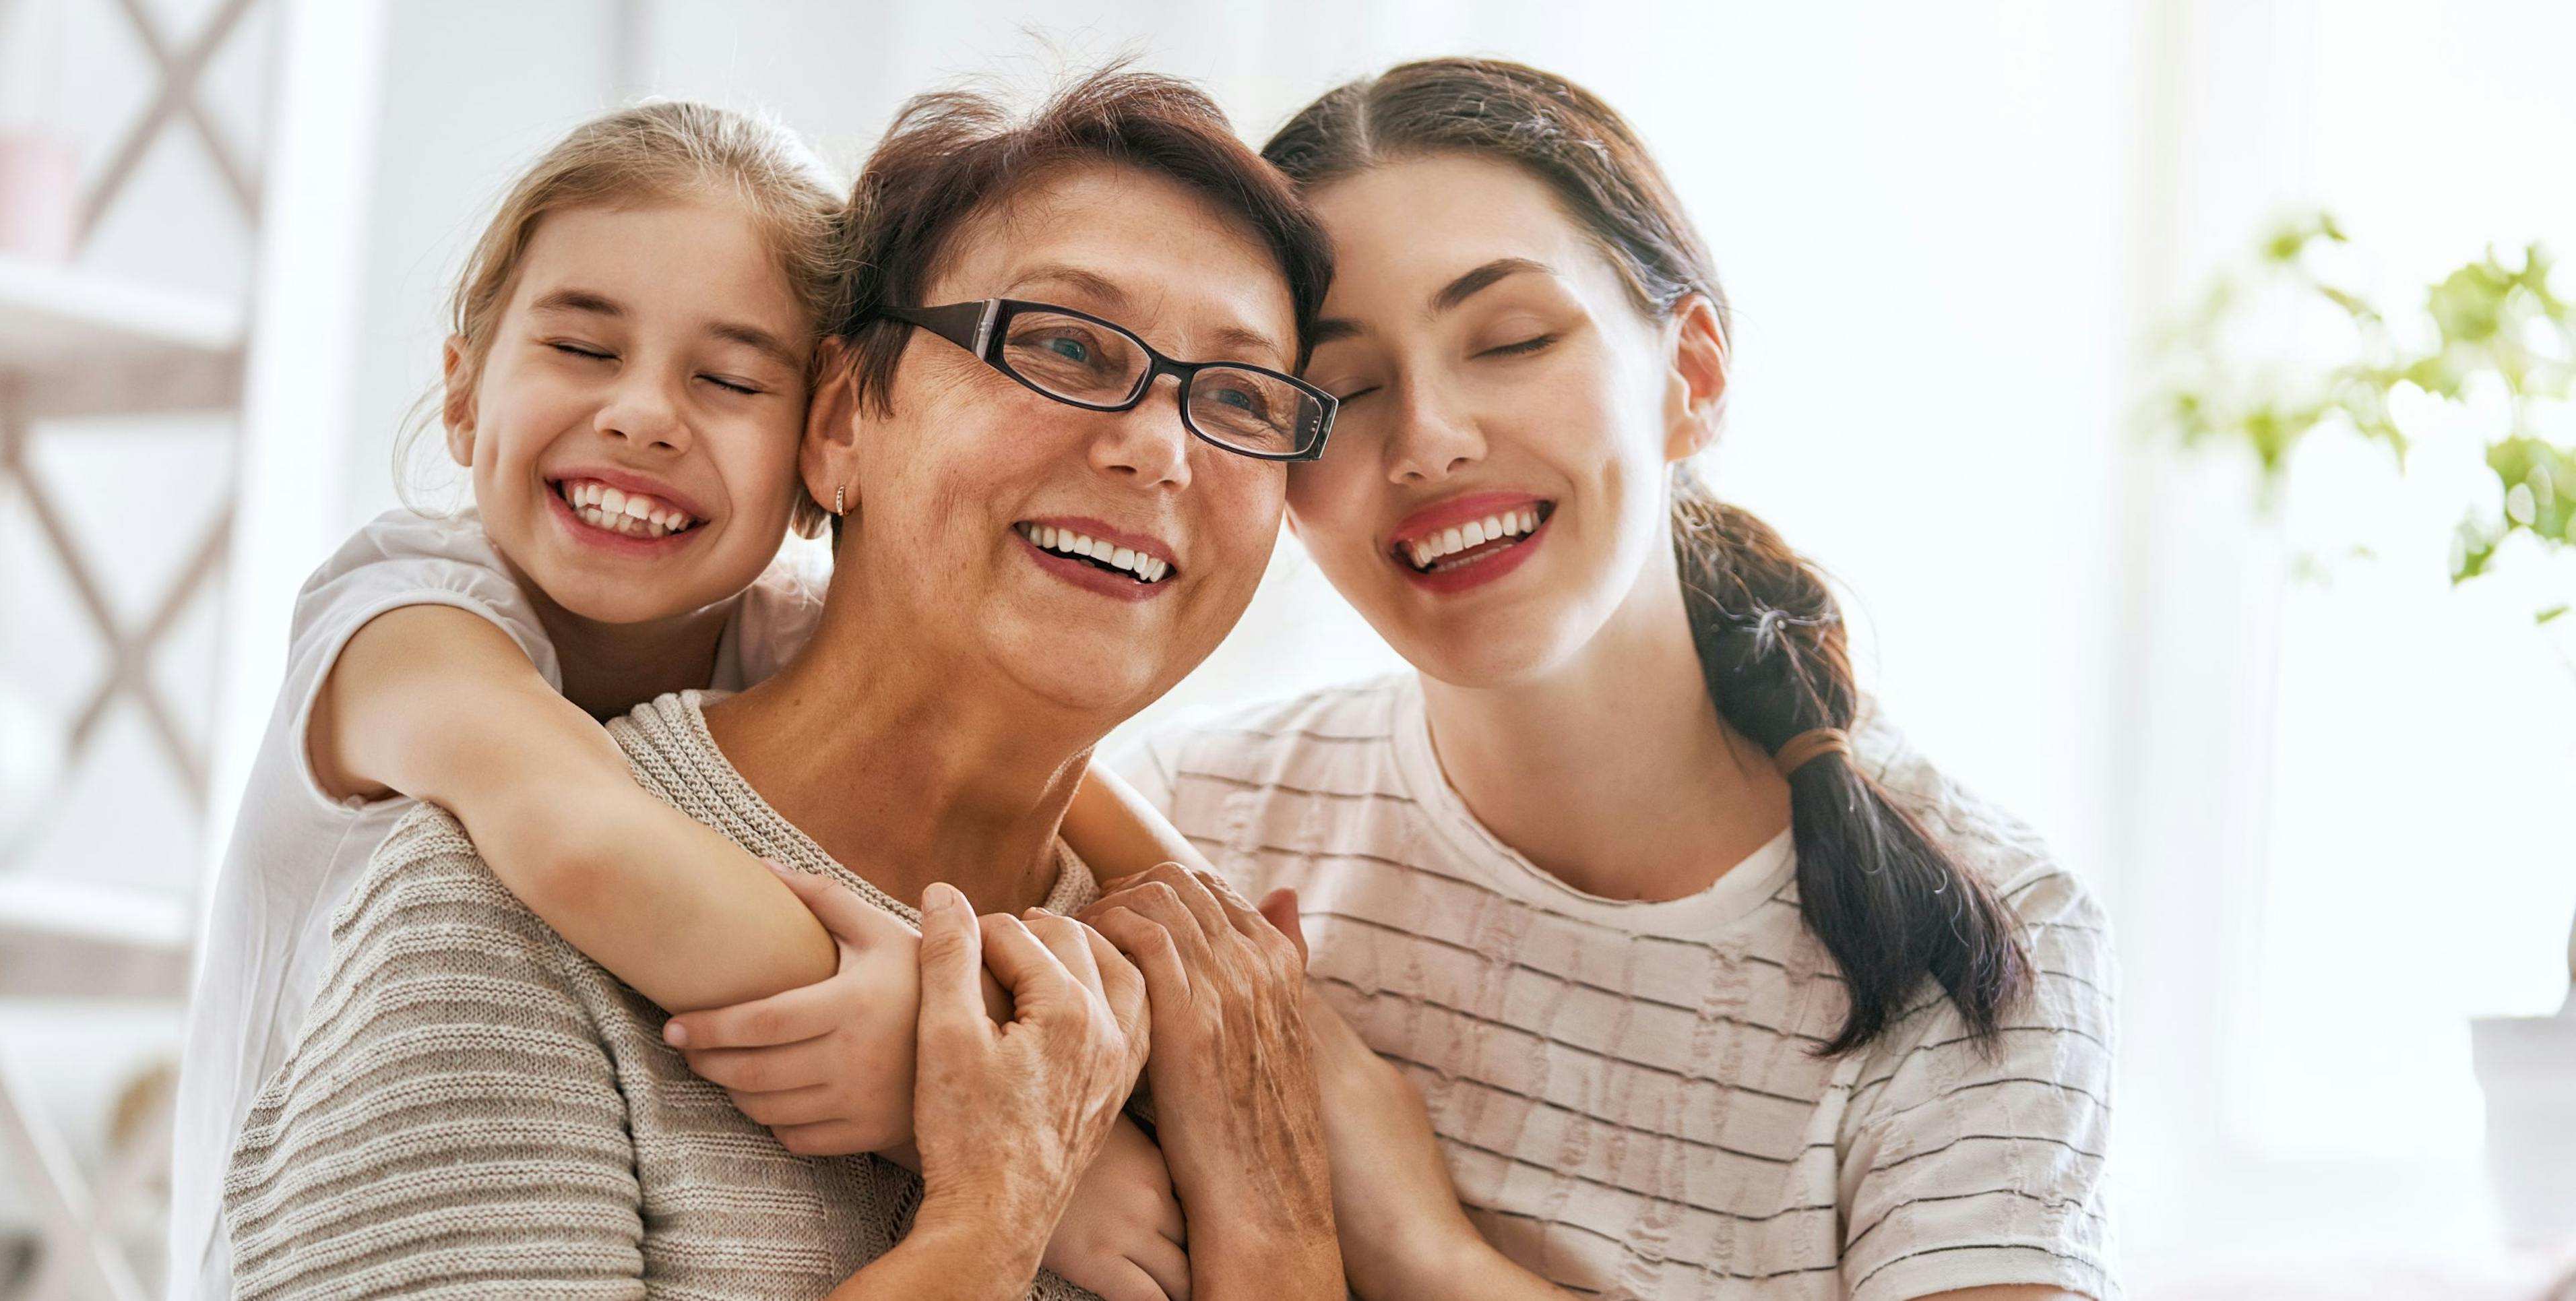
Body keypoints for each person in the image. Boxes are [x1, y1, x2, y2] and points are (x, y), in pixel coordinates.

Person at [220, 68, 1345, 1300]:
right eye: (1064, 345)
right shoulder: (482, 859)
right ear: (842, 424)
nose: (1158, 446)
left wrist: (1276, 1196)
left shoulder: (1192, 1025)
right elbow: (581, 841)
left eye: (1240, 397)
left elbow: (1101, 822)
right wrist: (989, 1171)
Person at [1116, 58, 2120, 1301]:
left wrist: (1422, 1248)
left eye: (1515, 339)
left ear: (1690, 376)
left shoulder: (1983, 935)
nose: (1428, 438)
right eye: (1342, 390)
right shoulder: (1192, 813)